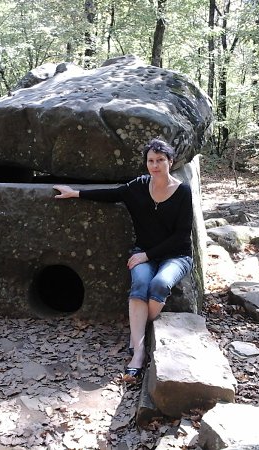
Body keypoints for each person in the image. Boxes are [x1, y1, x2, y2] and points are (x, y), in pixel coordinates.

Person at [53, 138, 193, 380]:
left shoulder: (182, 191)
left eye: (160, 160)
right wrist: (75, 193)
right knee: (141, 284)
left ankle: (137, 330)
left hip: (176, 256)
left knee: (159, 285)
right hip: (144, 253)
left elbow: (181, 236)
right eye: (151, 160)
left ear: (170, 161)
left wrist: (146, 255)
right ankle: (138, 352)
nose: (155, 165)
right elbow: (112, 194)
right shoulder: (139, 186)